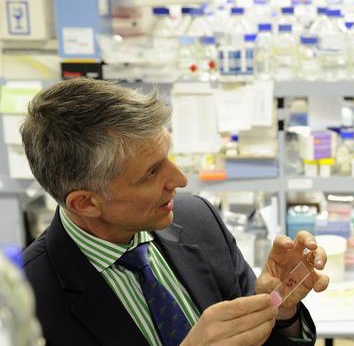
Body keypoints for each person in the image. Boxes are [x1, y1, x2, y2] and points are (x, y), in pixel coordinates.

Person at [20, 77, 329, 346]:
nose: (180, 180)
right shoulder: (26, 300)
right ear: (85, 203)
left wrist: (277, 308)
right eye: (151, 173)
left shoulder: (197, 220)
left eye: (167, 156)